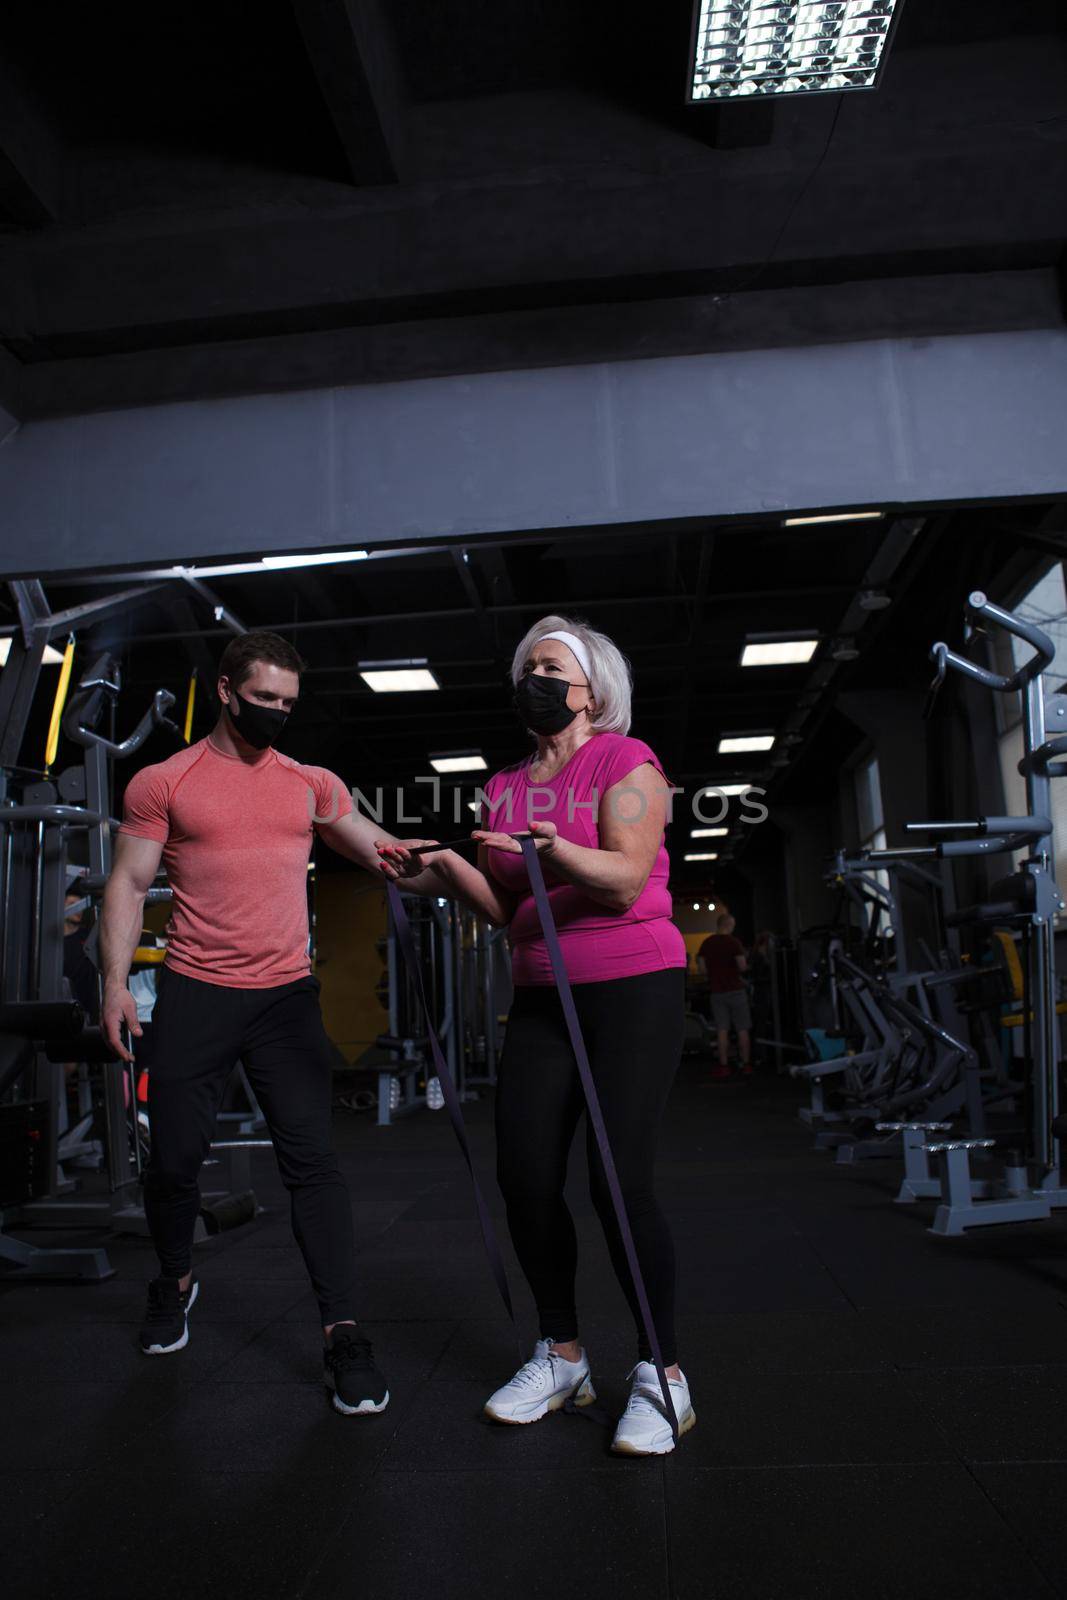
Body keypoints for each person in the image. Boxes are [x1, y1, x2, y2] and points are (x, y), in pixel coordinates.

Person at [100, 630, 462, 1416]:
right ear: (226, 690)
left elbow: (382, 852)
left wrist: (469, 867)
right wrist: (114, 984)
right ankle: (175, 1281)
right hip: (195, 991)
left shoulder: (310, 783)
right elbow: (127, 885)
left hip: (284, 1000)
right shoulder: (166, 781)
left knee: (315, 1165)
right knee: (172, 1165)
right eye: (264, 699)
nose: (276, 715)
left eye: (289, 705)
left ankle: (343, 1333)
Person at [378, 614, 696, 1456]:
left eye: (552, 668)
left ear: (592, 689)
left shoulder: (629, 762)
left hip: (634, 985)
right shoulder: (505, 785)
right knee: (523, 1175)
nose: (536, 681)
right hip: (544, 998)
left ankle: (662, 1374)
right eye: (527, 669)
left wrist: (556, 852)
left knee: (616, 1183)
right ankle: (561, 1357)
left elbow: (625, 881)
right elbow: (512, 919)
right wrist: (443, 873)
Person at [697, 913, 751, 1078]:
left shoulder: (707, 943)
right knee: (742, 1029)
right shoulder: (734, 942)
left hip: (717, 992)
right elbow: (742, 967)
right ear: (729, 925)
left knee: (722, 1030)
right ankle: (746, 1064)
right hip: (736, 991)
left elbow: (702, 969)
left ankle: (723, 1065)